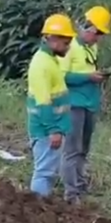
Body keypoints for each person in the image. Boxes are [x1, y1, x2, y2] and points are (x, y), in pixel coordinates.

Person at [61, 5, 111, 202]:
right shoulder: (69, 47)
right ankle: (70, 192)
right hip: (73, 104)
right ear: (87, 27)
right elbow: (62, 76)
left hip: (90, 103)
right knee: (72, 149)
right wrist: (88, 77)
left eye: (101, 34)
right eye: (97, 33)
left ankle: (81, 186)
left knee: (84, 148)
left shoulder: (92, 47)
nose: (98, 37)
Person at [27, 13, 77, 197]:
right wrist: (53, 130)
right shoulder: (42, 64)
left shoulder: (50, 60)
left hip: (51, 128)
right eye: (66, 42)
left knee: (47, 172)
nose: (68, 46)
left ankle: (38, 211)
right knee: (44, 173)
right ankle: (37, 210)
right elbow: (42, 103)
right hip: (46, 130)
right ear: (53, 39)